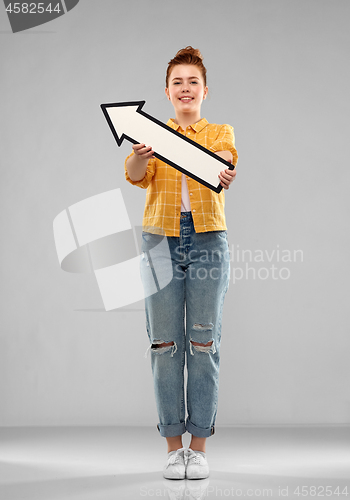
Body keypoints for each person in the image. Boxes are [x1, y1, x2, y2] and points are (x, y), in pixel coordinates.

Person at [124, 46, 238, 480]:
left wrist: (225, 168)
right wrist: (139, 153)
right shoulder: (152, 135)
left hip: (208, 239)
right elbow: (135, 175)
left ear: (204, 90)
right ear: (167, 92)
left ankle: (200, 447)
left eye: (193, 82)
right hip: (160, 240)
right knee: (165, 345)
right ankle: (174, 448)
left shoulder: (219, 132)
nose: (185, 88)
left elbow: (227, 161)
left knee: (204, 343)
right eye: (177, 82)